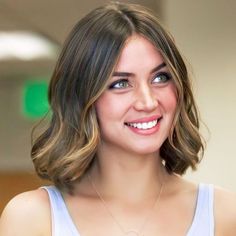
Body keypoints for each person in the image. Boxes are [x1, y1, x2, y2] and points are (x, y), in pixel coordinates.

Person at [0, 2, 236, 236]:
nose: (148, 102)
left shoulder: (223, 214)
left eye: (160, 77)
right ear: (82, 98)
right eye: (121, 83)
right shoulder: (32, 218)